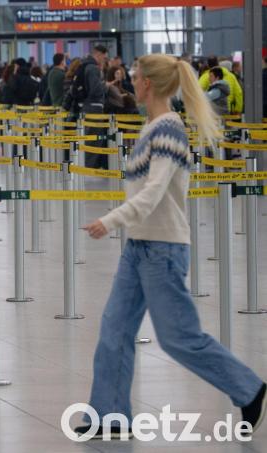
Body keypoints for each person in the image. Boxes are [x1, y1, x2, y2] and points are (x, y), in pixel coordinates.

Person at [76, 53, 266, 440]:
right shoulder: (152, 127)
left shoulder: (168, 131)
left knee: (179, 338)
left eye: (135, 75)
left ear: (149, 83)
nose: (131, 80)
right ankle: (109, 416)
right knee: (115, 328)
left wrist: (108, 221)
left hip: (163, 250)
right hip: (140, 247)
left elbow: (152, 194)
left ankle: (250, 389)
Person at [76, 45, 109, 168]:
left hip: (86, 106)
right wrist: (105, 87)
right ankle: (89, 169)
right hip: (94, 108)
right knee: (93, 140)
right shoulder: (93, 68)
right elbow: (96, 90)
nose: (104, 60)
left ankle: (87, 167)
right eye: (104, 58)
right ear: (99, 54)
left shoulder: (84, 65)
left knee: (88, 139)